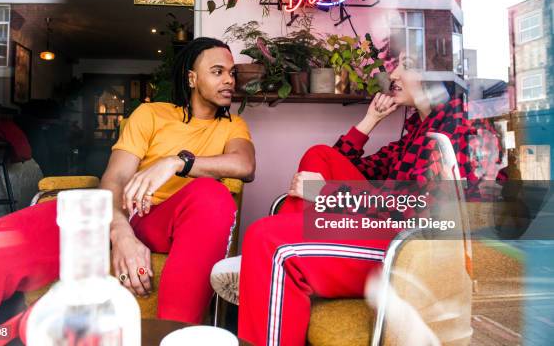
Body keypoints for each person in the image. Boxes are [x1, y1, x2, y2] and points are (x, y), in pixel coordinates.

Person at [0, 37, 256, 344]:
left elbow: (244, 165)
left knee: (212, 196)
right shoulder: (151, 114)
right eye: (218, 71)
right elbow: (114, 179)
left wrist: (176, 162)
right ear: (192, 78)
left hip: (169, 220)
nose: (229, 80)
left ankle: (174, 336)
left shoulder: (232, 126)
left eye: (232, 73)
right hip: (117, 212)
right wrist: (121, 233)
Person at [214, 53, 500, 346]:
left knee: (268, 238)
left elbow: (421, 212)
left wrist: (325, 194)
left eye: (408, 66)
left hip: (413, 251)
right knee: (319, 155)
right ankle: (272, 265)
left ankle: (268, 264)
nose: (394, 75)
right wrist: (370, 120)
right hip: (388, 229)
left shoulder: (455, 127)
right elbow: (349, 165)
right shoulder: (417, 128)